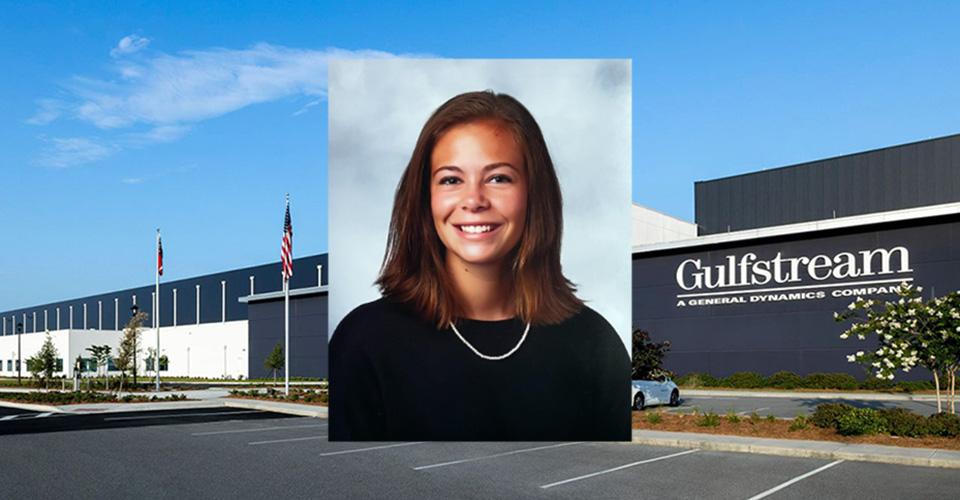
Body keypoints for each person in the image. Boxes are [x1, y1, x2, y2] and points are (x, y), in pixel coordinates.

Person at [329, 90, 630, 441]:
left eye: (498, 178)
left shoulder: (595, 344)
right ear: (424, 198)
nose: (474, 200)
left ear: (535, 194)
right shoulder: (364, 341)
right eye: (451, 179)